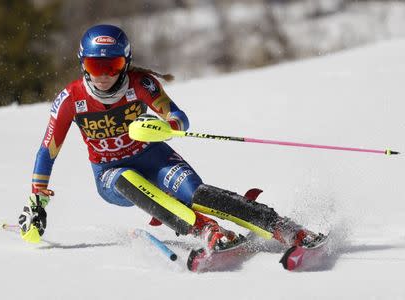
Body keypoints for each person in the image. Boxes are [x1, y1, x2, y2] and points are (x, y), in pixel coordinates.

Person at [18, 24, 321, 251]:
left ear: (126, 62)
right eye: (96, 66)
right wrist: (37, 199)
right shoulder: (71, 99)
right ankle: (205, 230)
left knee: (195, 192)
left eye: (113, 66)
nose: (104, 75)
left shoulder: (141, 84)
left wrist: (165, 125)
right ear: (83, 64)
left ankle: (282, 226)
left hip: (153, 158)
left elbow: (177, 116)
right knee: (127, 179)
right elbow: (48, 150)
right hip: (110, 173)